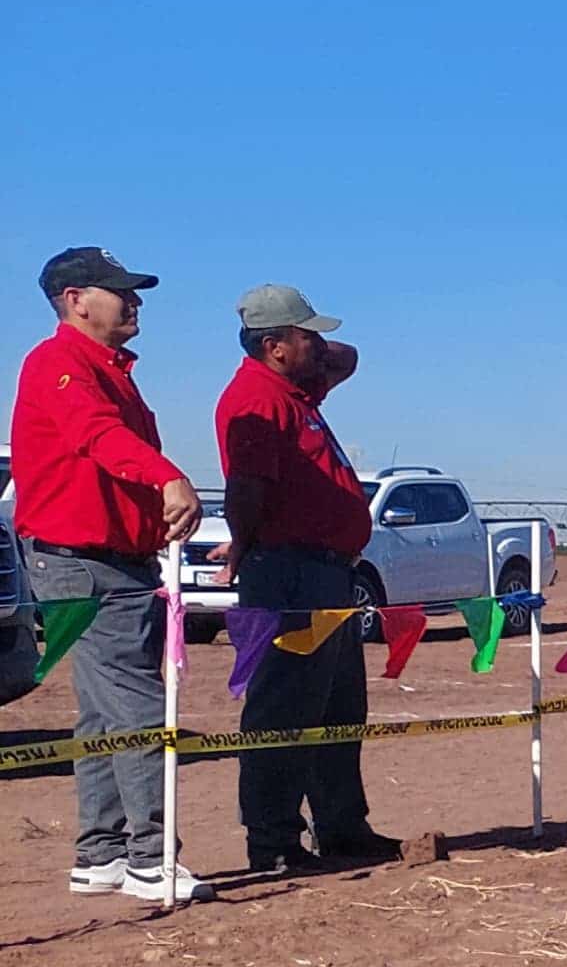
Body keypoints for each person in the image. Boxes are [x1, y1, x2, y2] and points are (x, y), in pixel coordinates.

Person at [13, 247, 204, 901]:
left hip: (107, 562)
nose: (136, 302)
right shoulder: (60, 364)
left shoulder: (107, 369)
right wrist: (168, 477)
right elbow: (97, 435)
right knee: (138, 708)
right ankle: (153, 858)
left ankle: (102, 853)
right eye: (121, 290)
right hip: (83, 563)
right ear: (75, 299)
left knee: (103, 712)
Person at [216, 283, 403, 875]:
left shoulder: (295, 392)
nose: (322, 345)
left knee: (339, 705)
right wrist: (244, 545)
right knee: (284, 707)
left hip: (327, 572)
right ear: (273, 346)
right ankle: (272, 840)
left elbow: (348, 358)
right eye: (307, 335)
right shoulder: (258, 398)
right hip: (288, 570)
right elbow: (247, 489)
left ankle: (342, 827)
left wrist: (314, 354)